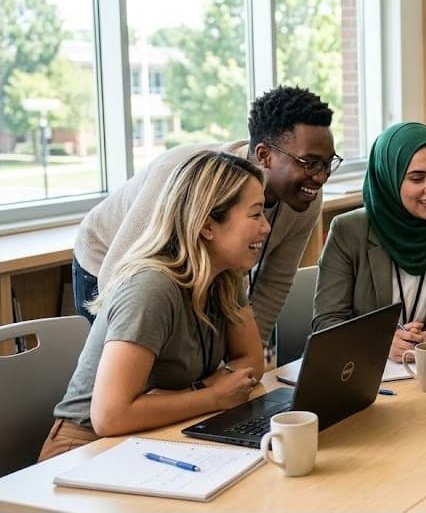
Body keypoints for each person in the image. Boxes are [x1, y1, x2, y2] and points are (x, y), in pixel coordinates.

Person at [39, 151, 269, 461]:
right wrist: (212, 395)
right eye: (255, 215)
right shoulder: (152, 288)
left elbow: (252, 361)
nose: (266, 227)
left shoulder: (224, 276)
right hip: (85, 448)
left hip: (154, 436)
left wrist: (198, 391)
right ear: (207, 225)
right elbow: (110, 416)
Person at [72, 86, 337, 347]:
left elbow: (273, 284)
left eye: (328, 163)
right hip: (109, 261)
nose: (321, 176)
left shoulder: (304, 197)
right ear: (264, 156)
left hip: (197, 273)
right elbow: (116, 275)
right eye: (310, 162)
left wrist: (250, 358)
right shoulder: (189, 177)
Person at [313, 122, 426, 361]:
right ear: (388, 178)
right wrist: (379, 340)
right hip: (365, 367)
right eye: (417, 178)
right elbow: (326, 322)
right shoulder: (348, 231)